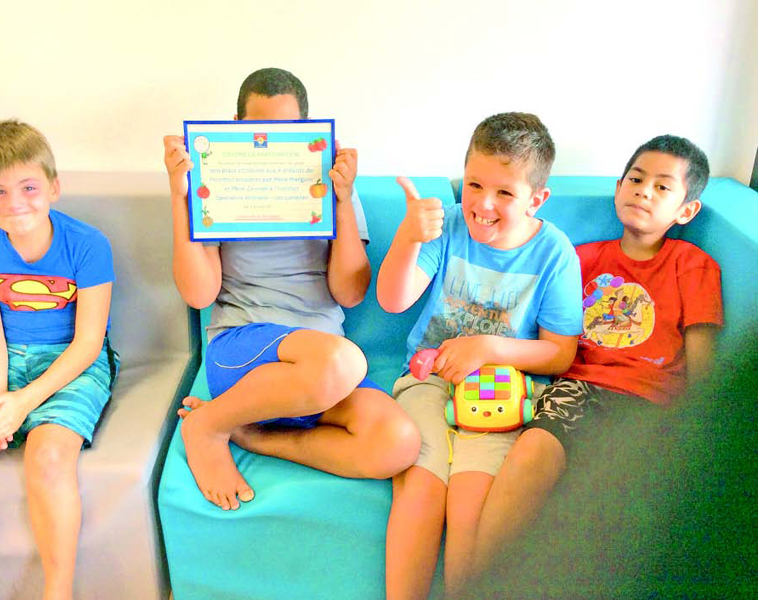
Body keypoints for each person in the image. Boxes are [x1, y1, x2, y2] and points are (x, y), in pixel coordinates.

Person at [463, 134, 722, 592]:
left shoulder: (692, 264)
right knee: (531, 452)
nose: (643, 191)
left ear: (686, 211)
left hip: (649, 401)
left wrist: (698, 428)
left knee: (616, 500)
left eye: (662, 187)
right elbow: (540, 332)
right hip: (576, 387)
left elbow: (703, 363)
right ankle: (478, 588)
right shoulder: (579, 257)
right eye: (636, 179)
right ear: (618, 188)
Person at [164, 67, 420, 512]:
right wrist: (179, 195)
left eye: (285, 131)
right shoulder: (216, 185)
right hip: (243, 353)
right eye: (257, 130)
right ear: (237, 127)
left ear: (305, 127)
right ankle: (206, 426)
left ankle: (254, 435)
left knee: (398, 443)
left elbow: (350, 293)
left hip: (321, 372)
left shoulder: (331, 186)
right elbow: (200, 295)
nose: (268, 143)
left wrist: (343, 200)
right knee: (341, 361)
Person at [377, 112, 583, 599]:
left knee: (471, 502)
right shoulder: (448, 225)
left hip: (500, 393)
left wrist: (488, 347)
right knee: (421, 485)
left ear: (537, 199)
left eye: (505, 193)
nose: (483, 204)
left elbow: (560, 354)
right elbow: (393, 300)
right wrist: (409, 236)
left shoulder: (555, 253)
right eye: (474, 185)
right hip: (428, 379)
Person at [0, 120, 119, 600]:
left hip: (73, 363)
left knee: (48, 455)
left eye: (28, 187)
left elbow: (89, 342)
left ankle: (58, 593)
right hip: (3, 362)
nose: (15, 203)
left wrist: (23, 403)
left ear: (53, 187)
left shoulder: (88, 244)